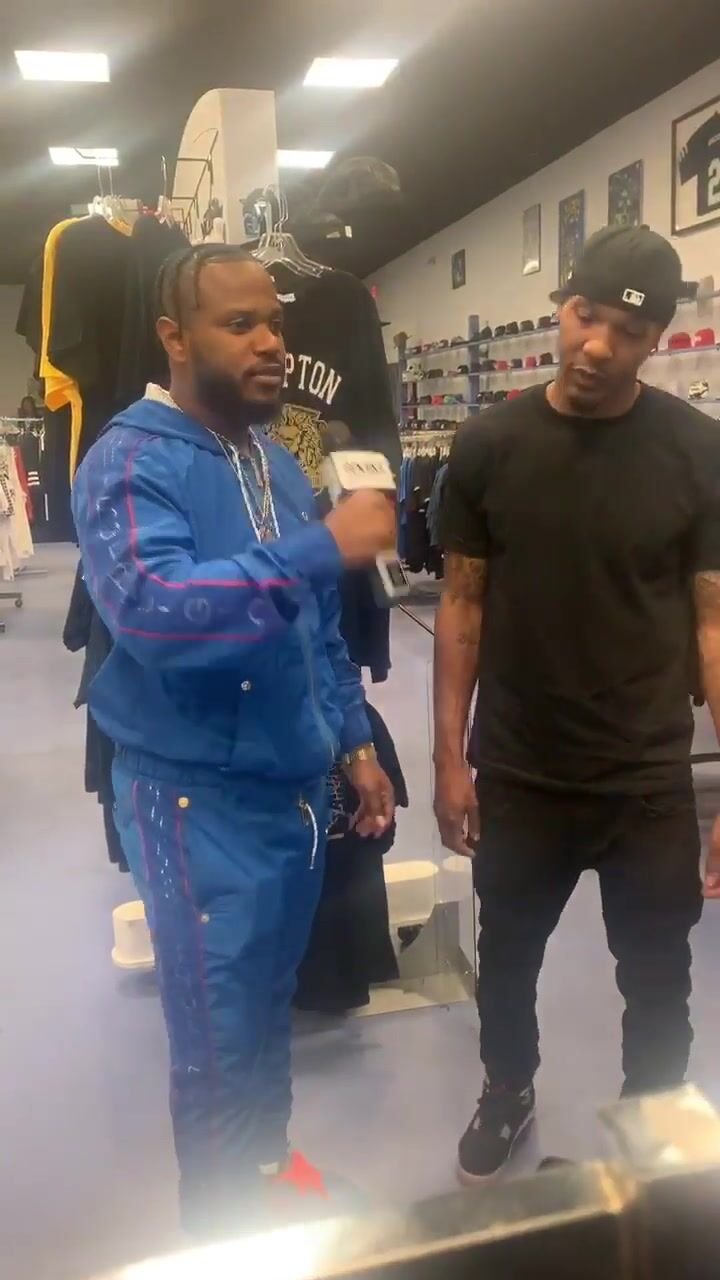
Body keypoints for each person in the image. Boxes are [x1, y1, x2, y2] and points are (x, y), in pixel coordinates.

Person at [72, 243, 396, 1234]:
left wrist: (353, 742)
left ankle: (265, 1171)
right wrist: (318, 546)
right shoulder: (129, 461)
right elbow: (155, 613)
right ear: (175, 337)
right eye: (240, 324)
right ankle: (221, 1232)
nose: (271, 345)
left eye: (275, 323)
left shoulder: (272, 460)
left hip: (290, 790)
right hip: (193, 800)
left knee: (265, 1006)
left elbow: (318, 627)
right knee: (217, 1037)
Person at [433, 225, 720, 1184]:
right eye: (583, 315)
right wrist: (448, 760)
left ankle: (656, 1140)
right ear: (562, 305)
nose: (596, 346)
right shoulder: (487, 444)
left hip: (646, 775)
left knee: (660, 977)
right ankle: (507, 1089)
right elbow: (461, 604)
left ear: (656, 341)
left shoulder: (699, 452)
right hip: (523, 768)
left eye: (627, 332)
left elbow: (714, 623)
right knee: (508, 959)